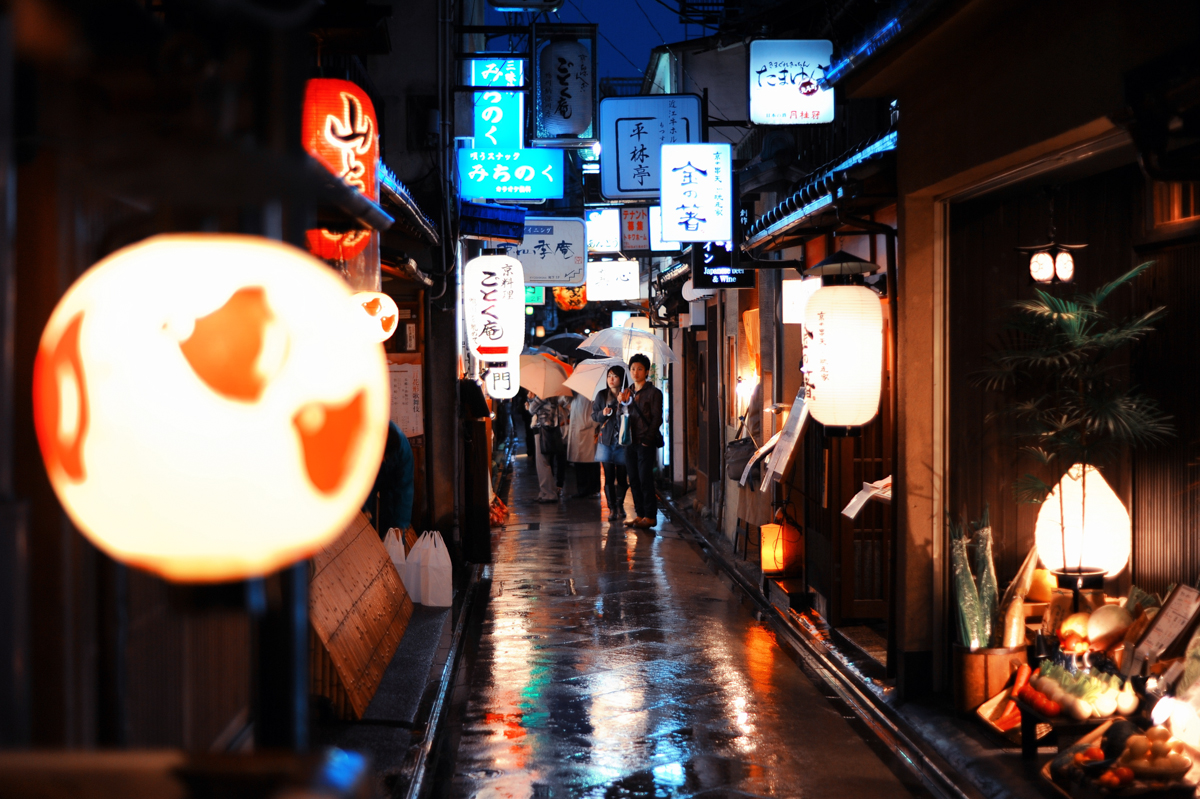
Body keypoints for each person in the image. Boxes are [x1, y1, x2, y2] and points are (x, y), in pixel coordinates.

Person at [620, 353, 663, 530]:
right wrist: (620, 403)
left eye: (639, 369)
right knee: (633, 478)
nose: (635, 372)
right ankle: (639, 514)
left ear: (646, 371)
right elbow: (622, 416)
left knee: (645, 478)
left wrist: (647, 439)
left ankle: (650, 516)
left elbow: (656, 418)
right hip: (630, 440)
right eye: (632, 369)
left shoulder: (654, 393)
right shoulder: (627, 392)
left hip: (645, 441)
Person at [364, 420, 415, 538]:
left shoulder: (403, 451)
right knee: (364, 517)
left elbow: (404, 491)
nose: (382, 460)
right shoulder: (362, 442)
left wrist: (401, 528)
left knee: (392, 519)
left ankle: (388, 549)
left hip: (391, 478)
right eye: (381, 456)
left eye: (385, 457)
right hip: (366, 477)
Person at [591, 365, 629, 519]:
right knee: (608, 476)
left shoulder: (627, 394)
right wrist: (603, 413)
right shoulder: (601, 395)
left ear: (621, 378)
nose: (611, 380)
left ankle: (620, 505)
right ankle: (612, 508)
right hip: (606, 441)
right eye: (609, 376)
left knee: (622, 477)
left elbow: (631, 415)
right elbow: (594, 416)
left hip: (622, 441)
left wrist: (623, 404)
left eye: (615, 376)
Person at [526, 391, 567, 503]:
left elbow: (531, 409)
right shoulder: (552, 394)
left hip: (542, 429)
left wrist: (530, 399)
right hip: (548, 429)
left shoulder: (544, 394)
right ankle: (545, 492)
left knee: (542, 462)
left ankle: (549, 493)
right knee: (544, 461)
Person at [566, 388, 601, 498]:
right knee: (580, 462)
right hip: (578, 430)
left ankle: (591, 489)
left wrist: (590, 423)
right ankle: (583, 489)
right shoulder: (574, 392)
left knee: (590, 462)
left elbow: (597, 410)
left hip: (587, 431)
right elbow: (564, 402)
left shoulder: (593, 392)